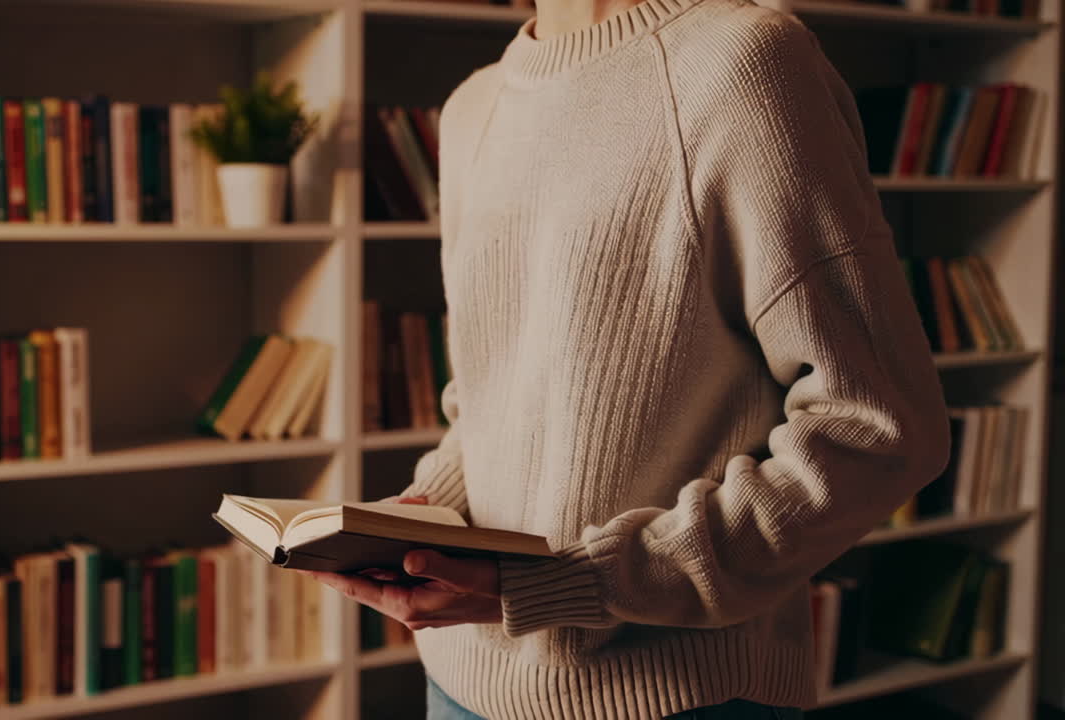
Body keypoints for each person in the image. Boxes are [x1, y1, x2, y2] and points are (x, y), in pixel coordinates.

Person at [305, 0, 951, 717]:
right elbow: (492, 391)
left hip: (677, 698)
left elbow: (877, 428)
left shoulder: (748, 61)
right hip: (458, 682)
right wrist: (427, 517)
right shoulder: (471, 108)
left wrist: (588, 581)